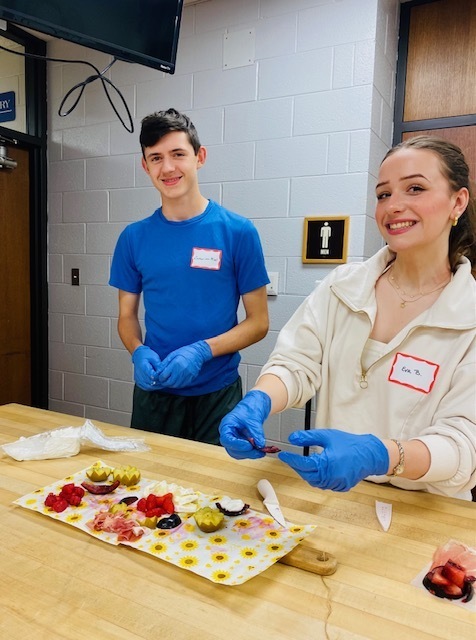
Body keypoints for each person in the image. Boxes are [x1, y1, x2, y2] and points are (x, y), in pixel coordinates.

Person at [219, 135, 476, 500]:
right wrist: (259, 400)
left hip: (425, 512)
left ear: (458, 201)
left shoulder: (469, 316)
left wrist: (380, 455)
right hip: (335, 496)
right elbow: (296, 362)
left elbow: (464, 443)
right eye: (384, 194)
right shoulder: (343, 286)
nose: (394, 206)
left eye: (415, 188)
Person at [109, 108, 269, 445]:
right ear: (145, 166)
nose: (167, 168)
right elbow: (126, 316)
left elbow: (258, 323)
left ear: (200, 157)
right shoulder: (133, 238)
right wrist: (137, 350)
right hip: (155, 393)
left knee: (214, 493)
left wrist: (202, 351)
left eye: (178, 154)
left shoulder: (238, 232)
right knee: (150, 490)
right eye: (155, 158)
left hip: (218, 395)